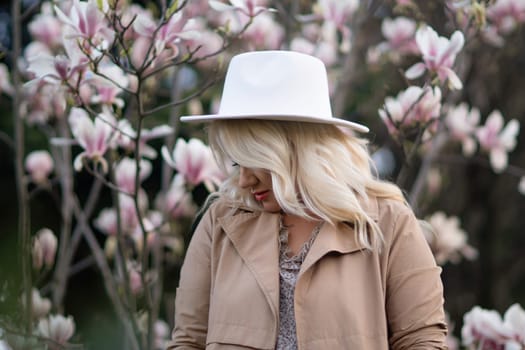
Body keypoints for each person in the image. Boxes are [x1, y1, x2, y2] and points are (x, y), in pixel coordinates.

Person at [166, 50, 448, 349]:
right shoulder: (219, 223)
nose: (245, 180)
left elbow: (423, 340)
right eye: (237, 163)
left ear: (296, 148)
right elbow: (188, 340)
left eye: (256, 160)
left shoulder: (388, 222)